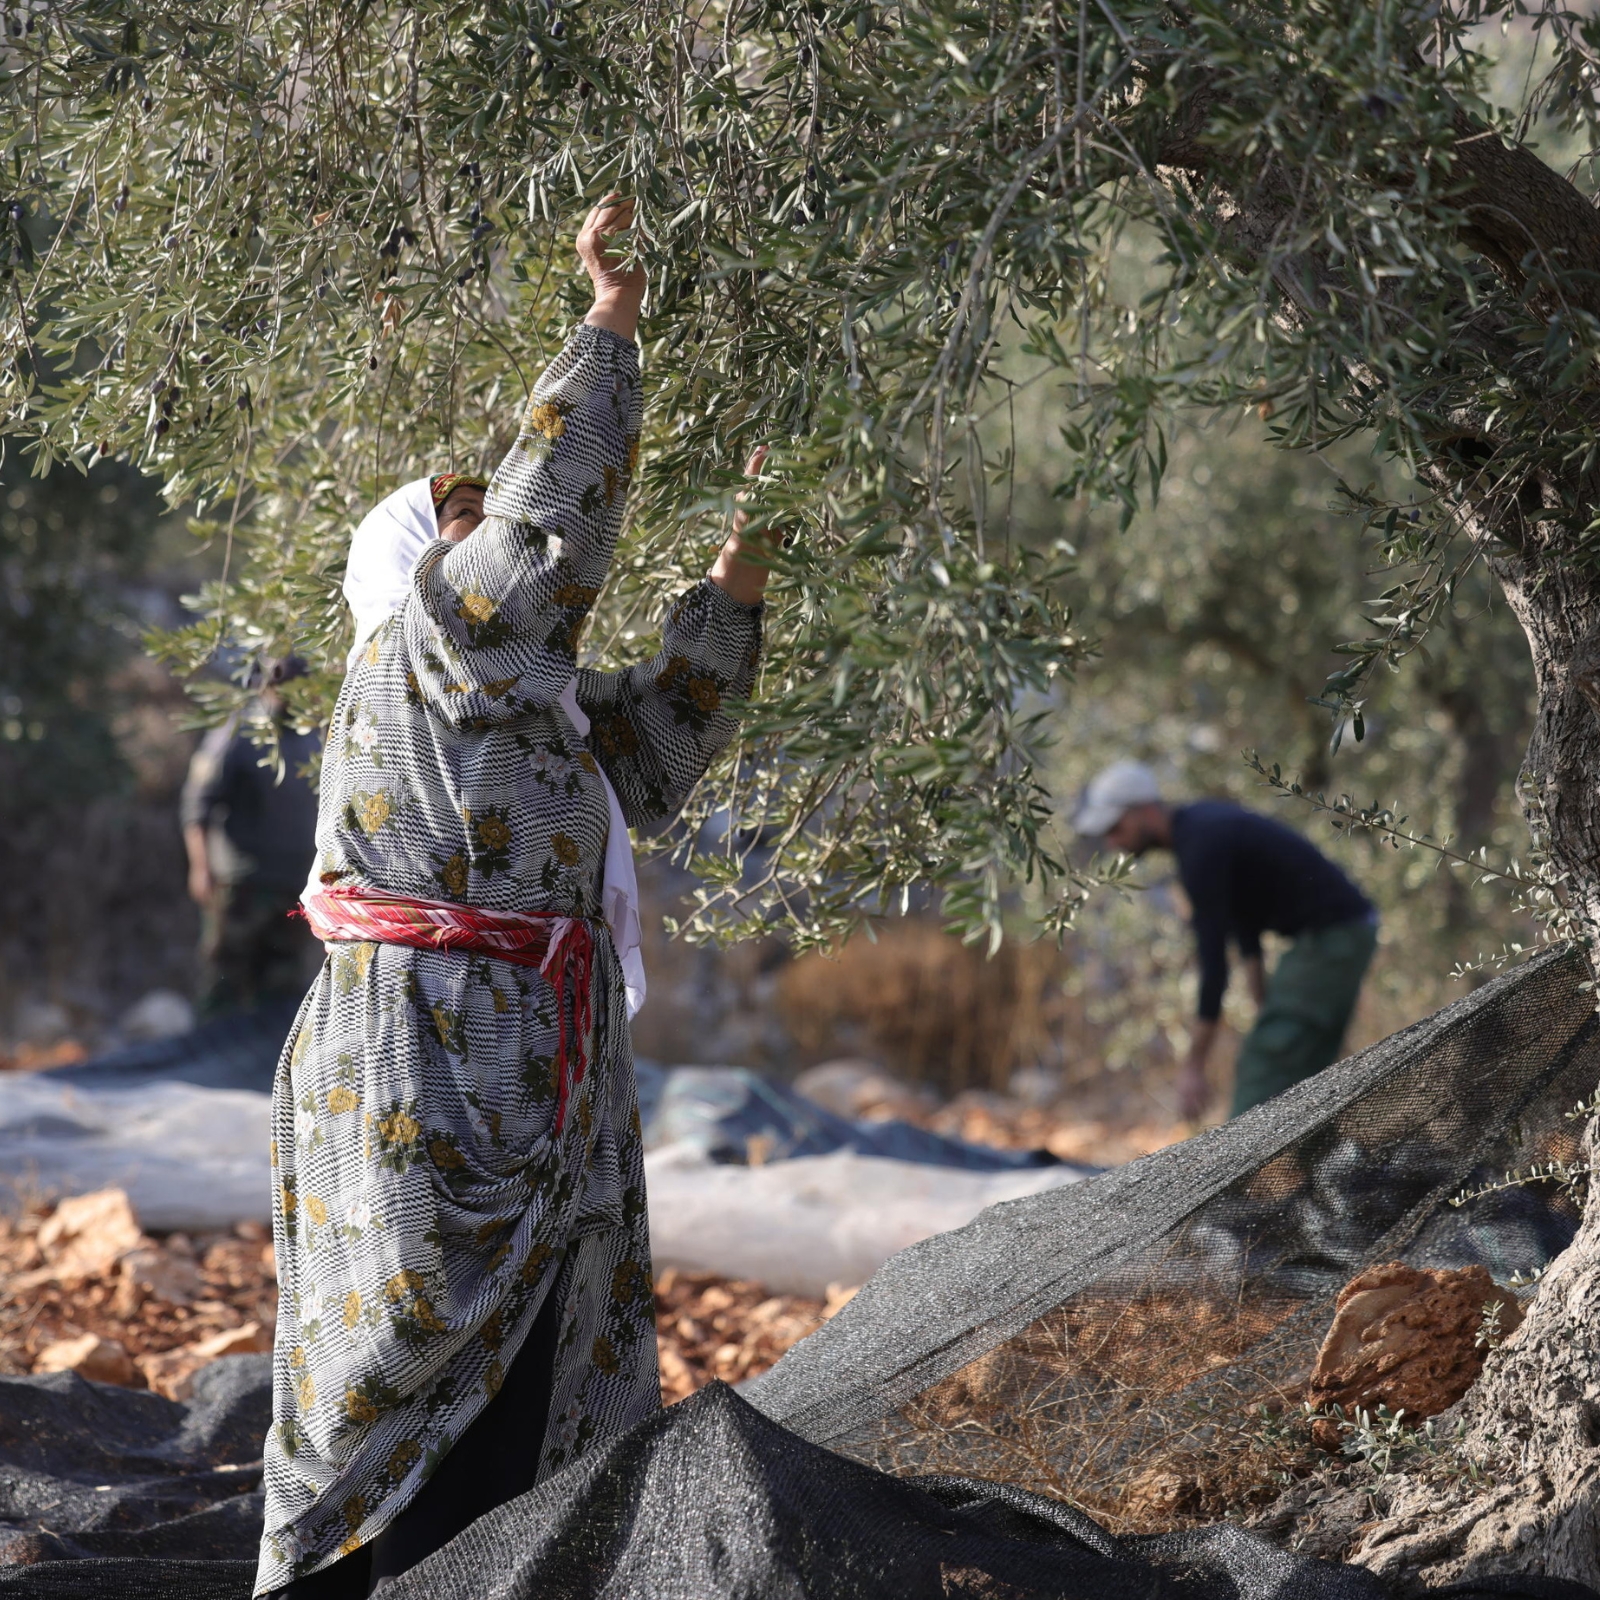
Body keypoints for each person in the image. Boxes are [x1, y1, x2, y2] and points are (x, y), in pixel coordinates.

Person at [255, 197, 773, 1597]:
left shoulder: (526, 703)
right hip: (424, 1058)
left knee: (541, 1356)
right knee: (403, 1344)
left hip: (542, 1060)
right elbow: (546, 534)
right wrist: (609, 325)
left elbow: (659, 747)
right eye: (458, 531)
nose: (491, 561)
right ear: (417, 566)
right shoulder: (425, 642)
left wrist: (742, 571)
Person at [1074, 761, 1377, 1123]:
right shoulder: (1202, 826)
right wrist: (1262, 1001)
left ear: (1145, 811)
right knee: (1301, 1071)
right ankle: (1306, 1169)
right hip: (1342, 933)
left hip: (1332, 938)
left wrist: (1193, 1067)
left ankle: (1249, 1175)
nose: (1113, 842)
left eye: (1116, 827)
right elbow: (1245, 924)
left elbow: (1213, 963)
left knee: (1264, 1065)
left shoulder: (1200, 846)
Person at [181, 657, 323, 1018]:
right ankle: (207, 1068)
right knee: (224, 983)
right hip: (242, 887)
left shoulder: (312, 739)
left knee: (280, 992)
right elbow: (198, 804)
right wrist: (201, 868)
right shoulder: (238, 734)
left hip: (293, 889)